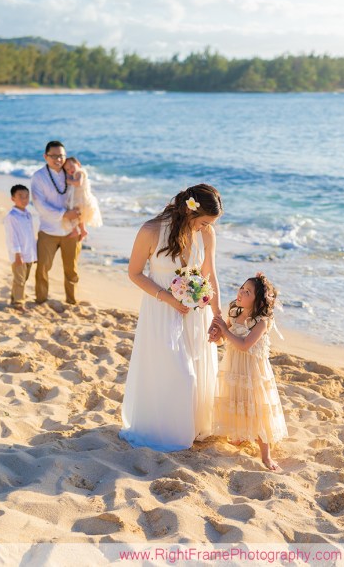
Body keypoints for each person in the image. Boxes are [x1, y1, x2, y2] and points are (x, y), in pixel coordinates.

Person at [119, 184, 223, 452]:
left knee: (197, 372)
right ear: (190, 211)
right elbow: (134, 273)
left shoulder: (207, 233)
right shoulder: (151, 230)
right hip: (162, 310)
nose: (205, 228)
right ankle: (168, 432)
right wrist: (168, 298)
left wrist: (217, 315)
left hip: (195, 313)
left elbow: (209, 274)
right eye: (203, 222)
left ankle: (191, 427)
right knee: (179, 374)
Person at [211, 272, 287, 471]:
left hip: (253, 372)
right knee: (237, 399)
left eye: (247, 292)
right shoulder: (234, 312)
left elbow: (245, 345)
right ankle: (240, 435)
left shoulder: (260, 322)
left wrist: (225, 330)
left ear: (258, 300)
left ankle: (266, 455)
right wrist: (216, 335)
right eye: (241, 288)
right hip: (234, 367)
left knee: (257, 407)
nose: (241, 293)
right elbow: (223, 340)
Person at [30, 141, 82, 305]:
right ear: (45, 157)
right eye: (54, 156)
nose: (58, 159)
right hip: (48, 230)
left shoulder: (72, 173)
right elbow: (40, 205)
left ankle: (71, 301)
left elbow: (82, 197)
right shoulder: (39, 177)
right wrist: (65, 214)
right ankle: (41, 300)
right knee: (43, 268)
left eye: (61, 156)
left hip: (70, 231)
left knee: (71, 270)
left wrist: (81, 224)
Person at [3, 184, 37, 310]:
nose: (24, 199)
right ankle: (18, 302)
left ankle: (14, 298)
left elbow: (30, 235)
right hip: (19, 254)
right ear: (13, 198)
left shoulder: (28, 214)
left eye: (26, 196)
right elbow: (12, 237)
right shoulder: (12, 216)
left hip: (29, 253)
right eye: (20, 196)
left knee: (24, 278)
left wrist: (34, 254)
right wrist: (17, 254)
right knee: (20, 279)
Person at [62, 156, 103, 241]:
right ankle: (83, 230)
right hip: (80, 198)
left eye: (71, 166)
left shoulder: (79, 172)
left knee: (72, 213)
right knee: (79, 217)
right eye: (67, 169)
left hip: (81, 199)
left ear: (78, 164)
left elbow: (78, 183)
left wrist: (68, 181)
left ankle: (75, 230)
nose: (70, 170)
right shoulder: (74, 173)